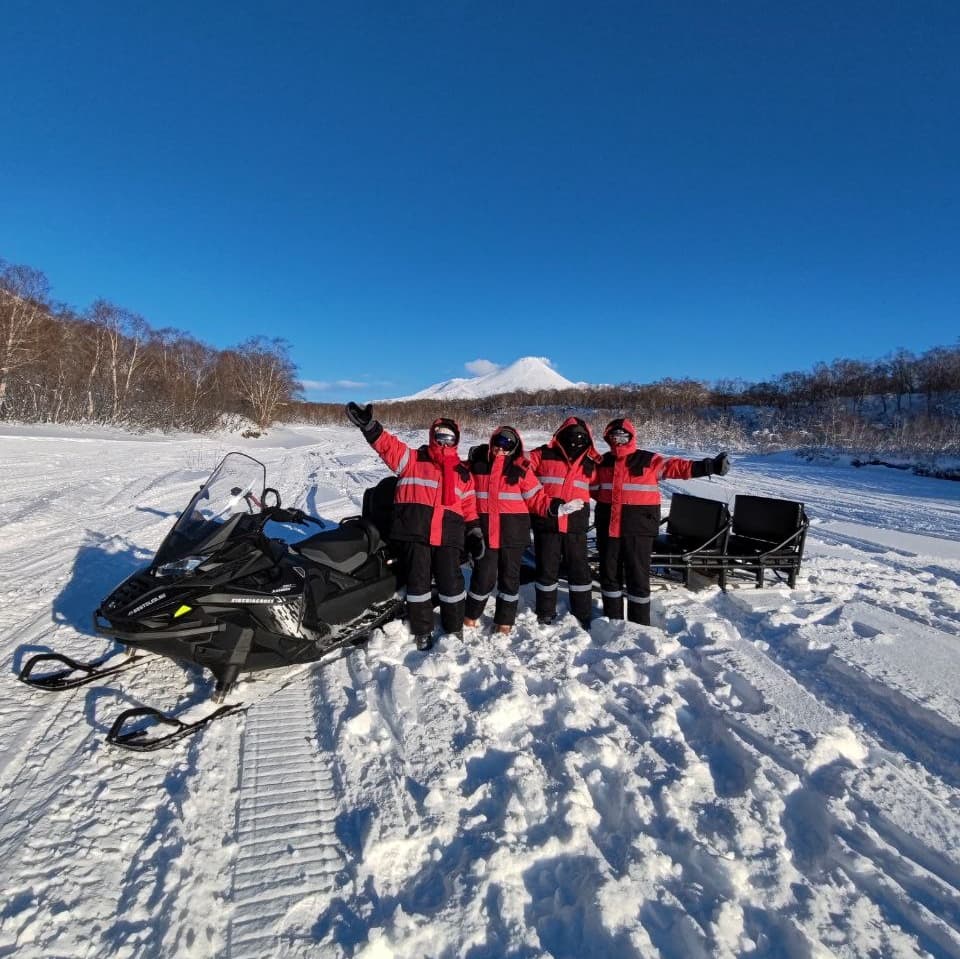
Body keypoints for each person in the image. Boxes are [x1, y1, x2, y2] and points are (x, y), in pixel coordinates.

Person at [345, 402, 484, 651]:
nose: (444, 442)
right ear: (432, 436)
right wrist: (369, 427)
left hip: (448, 536)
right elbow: (387, 446)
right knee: (418, 584)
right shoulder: (412, 459)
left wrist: (474, 531)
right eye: (440, 437)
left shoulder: (463, 473)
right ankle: (422, 630)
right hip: (415, 532)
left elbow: (469, 506)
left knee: (451, 584)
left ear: (456, 441)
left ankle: (454, 628)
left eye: (449, 438)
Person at [591, 417, 730, 626]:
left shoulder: (648, 460)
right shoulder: (602, 462)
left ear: (631, 437)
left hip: (638, 530)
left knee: (638, 578)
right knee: (609, 576)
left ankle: (639, 625)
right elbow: (588, 487)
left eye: (623, 436)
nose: (618, 440)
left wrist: (709, 466)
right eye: (614, 436)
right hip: (608, 529)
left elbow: (678, 467)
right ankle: (613, 621)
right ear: (608, 438)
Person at [463, 425, 585, 634]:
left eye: (507, 444)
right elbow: (459, 481)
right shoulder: (478, 465)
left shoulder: (520, 469)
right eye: (499, 442)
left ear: (514, 447)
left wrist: (556, 508)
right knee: (483, 577)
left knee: (509, 580)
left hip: (513, 534)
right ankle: (471, 615)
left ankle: (505, 621)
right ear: (492, 442)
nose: (501, 448)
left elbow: (536, 498)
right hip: (485, 533)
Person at [527, 417, 603, 628]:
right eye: (570, 435)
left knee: (579, 571)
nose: (575, 440)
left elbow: (601, 487)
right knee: (546, 570)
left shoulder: (591, 462)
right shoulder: (543, 454)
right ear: (560, 435)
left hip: (575, 525)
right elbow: (520, 465)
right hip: (547, 522)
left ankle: (583, 612)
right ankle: (545, 612)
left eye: (580, 436)